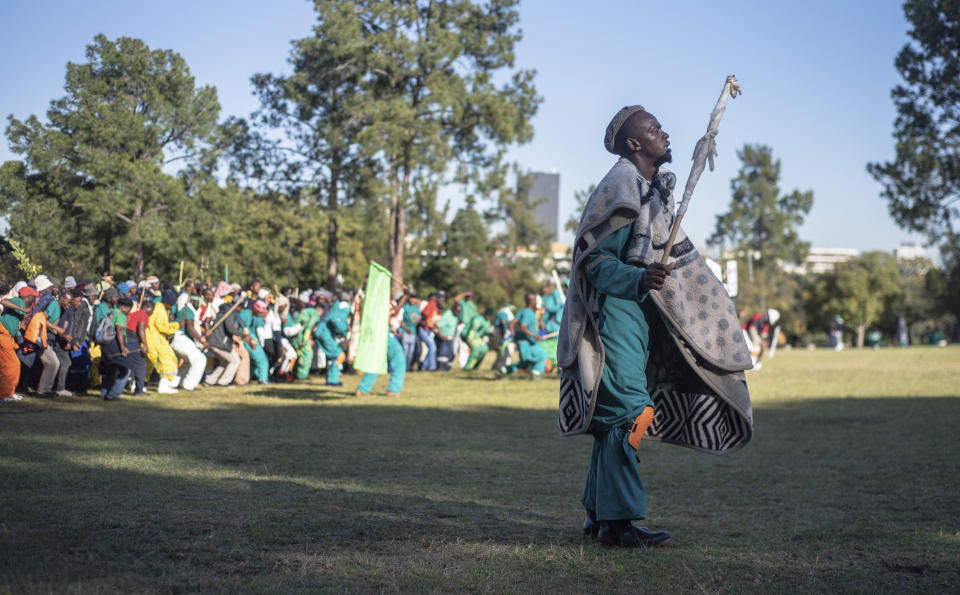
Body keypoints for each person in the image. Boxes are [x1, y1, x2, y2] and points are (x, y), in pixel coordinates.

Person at [558, 105, 754, 548]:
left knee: (615, 419)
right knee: (631, 413)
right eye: (653, 129)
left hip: (640, 318)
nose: (663, 133)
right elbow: (595, 263)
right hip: (614, 316)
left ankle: (598, 514)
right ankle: (618, 523)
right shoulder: (621, 186)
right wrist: (638, 278)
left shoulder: (650, 191)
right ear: (634, 144)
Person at [498, 293, 549, 379]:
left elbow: (512, 323)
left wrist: (513, 335)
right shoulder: (528, 313)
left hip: (528, 342)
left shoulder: (524, 311)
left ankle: (505, 370)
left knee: (526, 363)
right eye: (536, 300)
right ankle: (536, 374)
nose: (537, 302)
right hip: (527, 343)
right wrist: (535, 336)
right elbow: (522, 327)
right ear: (532, 301)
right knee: (544, 356)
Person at [398, 293, 421, 370]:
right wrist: (406, 329)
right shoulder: (405, 307)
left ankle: (407, 367)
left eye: (415, 298)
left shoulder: (416, 308)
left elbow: (417, 318)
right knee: (405, 350)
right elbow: (400, 320)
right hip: (405, 331)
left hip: (413, 332)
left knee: (411, 351)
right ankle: (402, 367)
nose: (414, 300)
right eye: (412, 298)